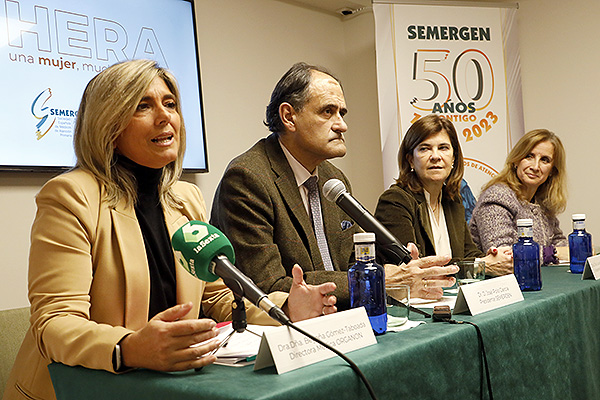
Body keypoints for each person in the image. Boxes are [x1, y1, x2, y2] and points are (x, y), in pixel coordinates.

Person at [3, 60, 338, 400]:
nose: (165, 117)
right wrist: (129, 347)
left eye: (171, 104)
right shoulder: (71, 196)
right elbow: (55, 323)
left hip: (166, 385)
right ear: (108, 124)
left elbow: (218, 296)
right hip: (84, 388)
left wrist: (284, 308)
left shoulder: (185, 197)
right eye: (142, 106)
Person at [210, 62, 458, 309]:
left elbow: (351, 263)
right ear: (289, 117)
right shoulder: (248, 178)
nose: (342, 125)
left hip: (344, 318)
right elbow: (269, 286)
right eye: (328, 112)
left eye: (342, 113)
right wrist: (378, 279)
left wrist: (390, 270)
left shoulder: (333, 179)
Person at [374, 114, 512, 276]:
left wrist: (493, 258)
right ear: (411, 160)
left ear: (453, 157)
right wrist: (482, 265)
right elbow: (413, 267)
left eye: (443, 148)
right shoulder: (395, 201)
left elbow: (469, 254)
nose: (435, 156)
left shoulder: (453, 200)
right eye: (425, 148)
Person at [469, 129, 568, 261]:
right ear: (516, 160)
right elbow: (503, 255)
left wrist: (577, 247)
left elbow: (561, 244)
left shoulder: (541, 201)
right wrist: (553, 253)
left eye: (544, 160)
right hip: (500, 280)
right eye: (529, 156)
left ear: (552, 171)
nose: (535, 166)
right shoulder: (497, 196)